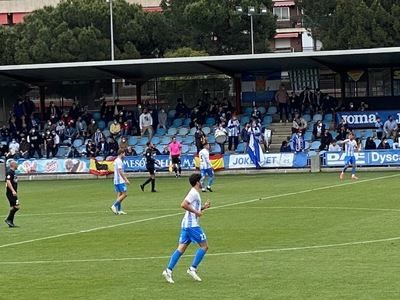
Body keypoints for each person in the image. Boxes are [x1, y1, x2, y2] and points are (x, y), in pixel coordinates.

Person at [162, 173, 211, 284]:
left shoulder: (195, 193)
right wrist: (197, 212)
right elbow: (184, 204)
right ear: (197, 182)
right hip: (191, 225)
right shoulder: (193, 193)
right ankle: (192, 269)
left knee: (181, 249)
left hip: (186, 225)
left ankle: (168, 270)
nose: (202, 182)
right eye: (201, 180)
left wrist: (204, 207)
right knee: (204, 246)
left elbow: (193, 207)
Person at [110, 149, 130, 215]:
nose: (125, 155)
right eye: (124, 153)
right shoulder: (119, 161)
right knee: (124, 194)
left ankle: (119, 210)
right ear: (121, 153)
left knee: (120, 195)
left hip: (116, 180)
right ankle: (114, 205)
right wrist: (125, 179)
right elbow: (120, 171)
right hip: (120, 180)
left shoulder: (116, 160)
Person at [4, 160, 20, 227]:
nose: (17, 165)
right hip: (10, 193)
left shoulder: (13, 172)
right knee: (16, 207)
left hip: (13, 192)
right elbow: (8, 181)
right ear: (13, 165)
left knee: (14, 207)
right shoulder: (9, 172)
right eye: (16, 164)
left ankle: (10, 222)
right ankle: (8, 220)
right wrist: (13, 190)